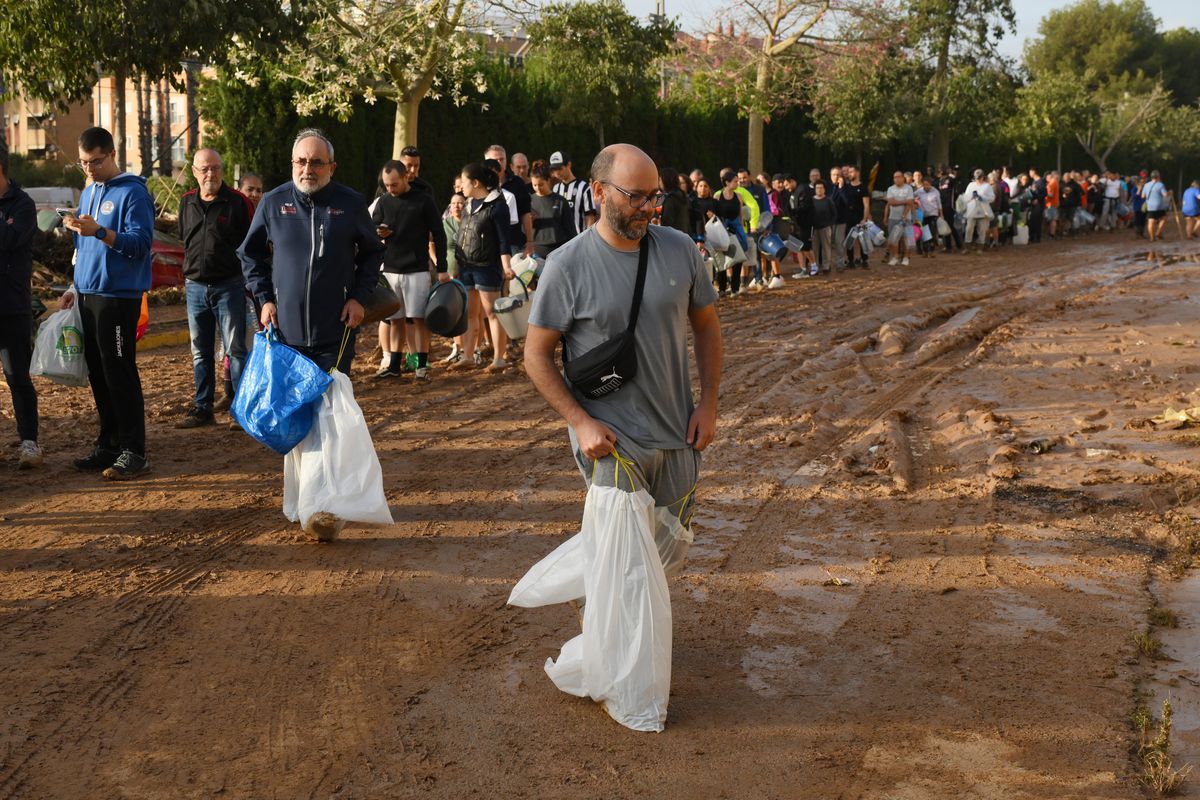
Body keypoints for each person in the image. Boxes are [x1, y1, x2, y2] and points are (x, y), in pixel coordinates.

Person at [524, 142, 722, 619]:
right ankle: (621, 666)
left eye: (655, 195)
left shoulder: (679, 250)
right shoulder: (566, 266)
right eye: (636, 196)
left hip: (678, 434)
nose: (650, 207)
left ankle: (597, 594)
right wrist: (579, 422)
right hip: (610, 439)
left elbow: (708, 327)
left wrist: (709, 403)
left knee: (665, 554)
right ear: (599, 192)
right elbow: (535, 356)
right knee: (627, 561)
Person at [238, 128, 384, 377]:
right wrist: (264, 300)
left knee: (329, 411)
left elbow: (373, 253)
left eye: (317, 162)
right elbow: (249, 254)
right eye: (301, 161)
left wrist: (359, 298)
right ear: (293, 163)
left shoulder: (351, 203)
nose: (308, 169)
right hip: (284, 333)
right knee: (291, 411)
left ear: (332, 167)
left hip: (337, 330)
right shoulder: (273, 202)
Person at [59, 128, 154, 479]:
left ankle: (135, 450)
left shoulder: (134, 193)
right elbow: (83, 247)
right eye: (83, 163)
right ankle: (110, 443)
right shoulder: (88, 191)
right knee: (98, 373)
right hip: (88, 293)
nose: (89, 169)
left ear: (112, 154)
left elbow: (141, 244)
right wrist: (74, 284)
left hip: (118, 296)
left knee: (120, 371)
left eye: (95, 162)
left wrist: (100, 231)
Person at [175, 148, 255, 430]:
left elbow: (252, 245)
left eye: (216, 168)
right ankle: (203, 408)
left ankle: (239, 410)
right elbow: (184, 239)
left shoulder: (238, 203)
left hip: (229, 286)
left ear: (223, 170)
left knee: (235, 351)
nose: (211, 174)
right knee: (200, 351)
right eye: (205, 169)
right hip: (195, 287)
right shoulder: (185, 203)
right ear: (194, 172)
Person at [371, 159, 449, 381]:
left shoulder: (423, 201)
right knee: (394, 318)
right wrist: (379, 232)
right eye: (386, 184)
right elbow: (371, 230)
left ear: (405, 177)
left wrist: (442, 267)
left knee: (418, 318)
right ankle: (394, 364)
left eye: (394, 184)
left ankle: (421, 366)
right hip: (391, 269)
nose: (390, 189)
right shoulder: (384, 201)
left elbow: (439, 233)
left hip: (416, 269)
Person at [0, 137, 41, 468]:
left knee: (18, 377)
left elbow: (10, 239)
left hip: (12, 307)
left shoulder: (23, 205)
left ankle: (29, 442)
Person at [453, 162, 514, 373]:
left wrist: (506, 266)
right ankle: (468, 355)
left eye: (464, 182)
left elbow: (504, 240)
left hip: (487, 266)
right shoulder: (469, 204)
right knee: (470, 313)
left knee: (492, 313)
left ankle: (499, 358)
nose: (461, 186)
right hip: (466, 265)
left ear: (476, 182)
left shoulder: (498, 205)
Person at [486, 144, 534, 256]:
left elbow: (526, 213)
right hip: (487, 245)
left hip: (512, 243)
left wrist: (530, 241)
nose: (499, 162)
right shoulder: (480, 184)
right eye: (495, 160)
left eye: (501, 159)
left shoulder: (517, 183)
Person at [529, 159, 575, 259]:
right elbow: (522, 230)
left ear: (548, 180)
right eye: (534, 185)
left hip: (559, 251)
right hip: (536, 252)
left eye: (541, 184)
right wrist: (529, 222)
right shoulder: (528, 201)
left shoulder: (561, 201)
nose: (538, 188)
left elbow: (570, 230)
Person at [550, 151, 597, 234]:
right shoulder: (555, 189)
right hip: (561, 241)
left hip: (579, 239)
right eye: (554, 169)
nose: (557, 173)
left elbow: (590, 217)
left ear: (568, 165)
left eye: (559, 168)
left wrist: (588, 238)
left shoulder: (584, 188)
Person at [884, 170, 914, 266]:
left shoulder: (908, 188)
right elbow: (891, 202)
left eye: (898, 177)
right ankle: (895, 256)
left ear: (903, 178)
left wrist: (905, 214)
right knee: (893, 239)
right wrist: (904, 201)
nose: (896, 179)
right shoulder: (890, 189)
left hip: (907, 218)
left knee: (907, 239)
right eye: (894, 177)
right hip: (893, 217)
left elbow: (910, 203)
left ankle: (906, 257)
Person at [843, 166, 871, 267]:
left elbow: (866, 205)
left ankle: (864, 260)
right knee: (850, 239)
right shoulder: (846, 187)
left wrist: (864, 218)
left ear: (857, 173)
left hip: (860, 218)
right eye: (848, 172)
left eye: (851, 172)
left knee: (863, 239)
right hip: (849, 218)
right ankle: (850, 261)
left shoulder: (863, 188)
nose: (849, 174)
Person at [961, 169, 994, 253]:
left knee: (982, 229)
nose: (978, 179)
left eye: (979, 178)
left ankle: (980, 247)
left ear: (983, 177)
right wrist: (972, 197)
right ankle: (967, 247)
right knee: (969, 228)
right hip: (972, 210)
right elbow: (965, 197)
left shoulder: (987, 186)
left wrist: (982, 198)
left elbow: (992, 198)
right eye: (976, 178)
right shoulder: (971, 185)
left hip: (983, 210)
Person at [808, 180, 835, 275]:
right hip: (814, 228)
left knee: (826, 248)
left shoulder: (828, 200)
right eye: (817, 188)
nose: (819, 190)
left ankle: (826, 266)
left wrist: (830, 225)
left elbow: (834, 214)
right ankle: (815, 267)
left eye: (821, 188)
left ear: (824, 189)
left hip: (826, 227)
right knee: (814, 248)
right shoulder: (811, 200)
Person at [658, 167, 692, 236]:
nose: (659, 183)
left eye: (660, 180)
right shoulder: (681, 195)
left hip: (673, 238)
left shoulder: (671, 199)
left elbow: (667, 224)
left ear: (666, 180)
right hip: (683, 236)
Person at [915, 175, 942, 257]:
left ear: (931, 184)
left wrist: (941, 215)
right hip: (923, 215)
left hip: (933, 214)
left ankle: (932, 251)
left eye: (928, 184)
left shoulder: (936, 192)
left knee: (932, 232)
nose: (926, 186)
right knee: (925, 233)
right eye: (925, 184)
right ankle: (926, 251)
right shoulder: (919, 192)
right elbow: (911, 198)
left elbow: (939, 204)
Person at [1142, 170, 1171, 242]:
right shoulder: (1160, 185)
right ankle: (1158, 232)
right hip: (1159, 205)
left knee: (1150, 221)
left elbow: (1143, 196)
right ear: (1158, 177)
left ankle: (1152, 237)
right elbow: (1165, 195)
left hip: (1150, 206)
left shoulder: (1146, 185)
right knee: (1163, 219)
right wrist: (1170, 192)